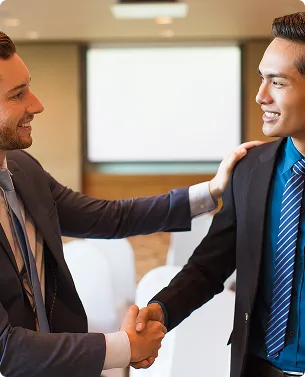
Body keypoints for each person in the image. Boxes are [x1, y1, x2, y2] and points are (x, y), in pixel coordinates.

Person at [0, 31, 262, 376]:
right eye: (18, 95)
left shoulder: (23, 168)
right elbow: (5, 349)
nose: (37, 104)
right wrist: (125, 346)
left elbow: (111, 218)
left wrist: (212, 190)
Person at [135, 12, 305, 377]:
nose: (261, 96)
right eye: (262, 79)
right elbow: (210, 265)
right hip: (257, 366)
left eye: (277, 82)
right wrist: (161, 309)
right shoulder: (250, 168)